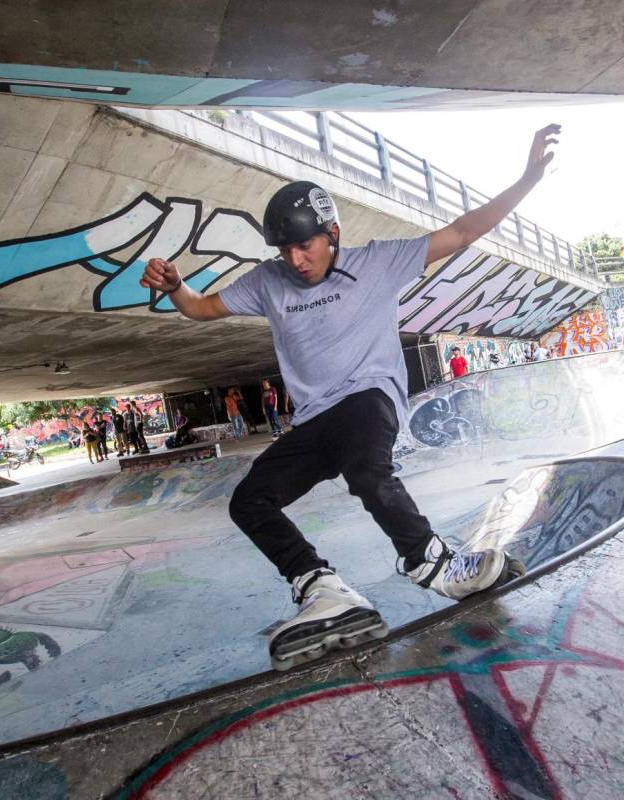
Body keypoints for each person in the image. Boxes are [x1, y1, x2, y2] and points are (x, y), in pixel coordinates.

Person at [140, 124, 558, 668]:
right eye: (286, 249)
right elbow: (200, 308)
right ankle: (322, 587)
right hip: (316, 421)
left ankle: (431, 561)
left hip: (369, 399)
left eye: (306, 245)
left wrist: (526, 179)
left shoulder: (379, 262)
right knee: (250, 501)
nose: (296, 260)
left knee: (366, 467)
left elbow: (461, 232)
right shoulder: (267, 282)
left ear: (332, 232)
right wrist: (175, 286)